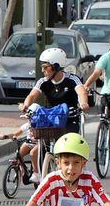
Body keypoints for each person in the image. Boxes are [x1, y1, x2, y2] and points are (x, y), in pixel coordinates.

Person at [20, 47, 91, 178]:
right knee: (41, 146)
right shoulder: (43, 82)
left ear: (56, 66)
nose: (43, 70)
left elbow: (81, 91)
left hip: (70, 118)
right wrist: (25, 104)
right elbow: (32, 96)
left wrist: (83, 103)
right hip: (51, 119)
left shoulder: (72, 79)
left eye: (45, 67)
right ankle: (42, 174)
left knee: (68, 146)